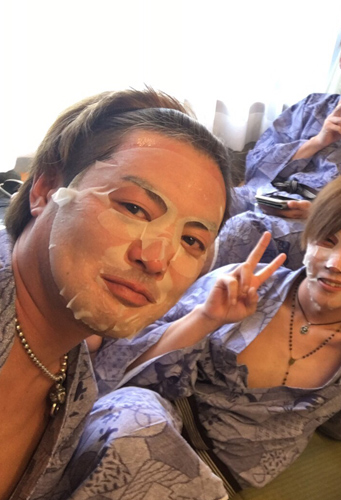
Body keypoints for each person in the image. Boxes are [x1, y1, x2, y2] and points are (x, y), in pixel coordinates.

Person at [75, 173, 341, 492]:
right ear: (309, 240)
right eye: (327, 241)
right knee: (132, 424)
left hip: (223, 474)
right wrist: (206, 318)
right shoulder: (240, 285)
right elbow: (119, 371)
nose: (336, 264)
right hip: (150, 419)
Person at [0, 88, 235, 500]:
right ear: (46, 189)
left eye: (192, 241)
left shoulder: (76, 385)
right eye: (134, 208)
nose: (157, 259)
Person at [211, 5, 341, 270]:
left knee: (241, 231)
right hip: (264, 198)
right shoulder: (311, 106)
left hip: (325, 229)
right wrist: (318, 141)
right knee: (210, 198)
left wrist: (320, 211)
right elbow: (255, 163)